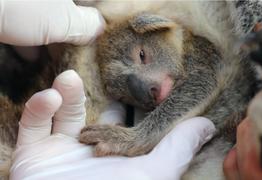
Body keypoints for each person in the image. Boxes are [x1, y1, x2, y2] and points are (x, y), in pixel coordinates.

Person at [0, 1, 216, 179]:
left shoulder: (185, 44)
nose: (143, 91)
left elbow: (206, 75)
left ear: (156, 25)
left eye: (142, 57)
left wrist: (138, 137)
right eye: (125, 93)